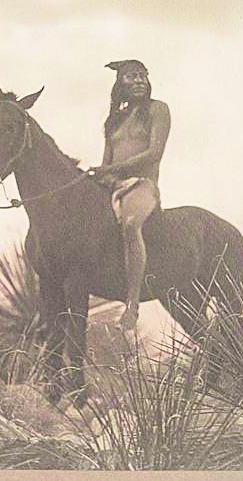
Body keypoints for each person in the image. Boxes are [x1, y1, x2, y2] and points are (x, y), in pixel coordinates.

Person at [90, 60, 171, 331]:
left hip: (142, 185)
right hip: (114, 185)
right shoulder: (113, 121)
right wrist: (105, 176)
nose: (138, 81)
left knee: (131, 224)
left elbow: (154, 153)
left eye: (141, 76)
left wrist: (114, 169)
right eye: (130, 77)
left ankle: (132, 305)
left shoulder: (158, 109)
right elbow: (106, 160)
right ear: (120, 85)